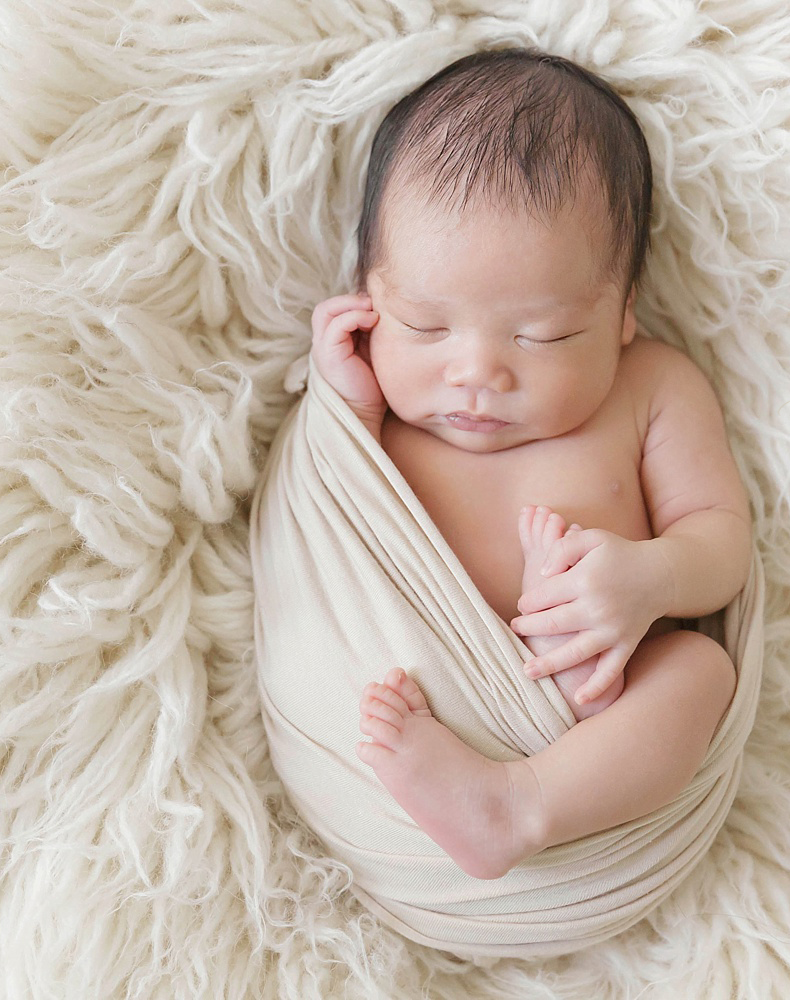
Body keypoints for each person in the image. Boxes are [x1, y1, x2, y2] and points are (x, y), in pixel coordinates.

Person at [307, 47, 753, 880]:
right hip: (423, 713)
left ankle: (519, 804)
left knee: (698, 671)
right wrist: (347, 409)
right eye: (426, 326)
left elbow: (721, 542)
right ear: (369, 292)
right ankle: (477, 795)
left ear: (623, 314)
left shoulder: (653, 387)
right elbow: (327, 524)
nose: (475, 373)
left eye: (543, 335)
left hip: (599, 719)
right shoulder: (378, 404)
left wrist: (649, 579)